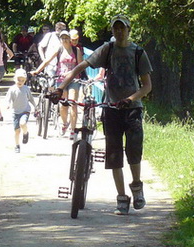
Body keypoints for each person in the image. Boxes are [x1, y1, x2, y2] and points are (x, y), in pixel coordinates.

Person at [51, 15, 152, 215]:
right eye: (115, 28)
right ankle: (121, 198)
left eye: (122, 28)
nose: (119, 32)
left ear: (129, 30)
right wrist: (60, 88)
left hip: (132, 109)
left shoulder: (138, 52)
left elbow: (147, 86)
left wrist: (130, 99)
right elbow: (80, 66)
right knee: (114, 155)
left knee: (133, 152)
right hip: (111, 108)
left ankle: (137, 187)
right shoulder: (108, 49)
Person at [35, 29, 82, 136]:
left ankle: (73, 130)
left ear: (69, 39)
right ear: (60, 40)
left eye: (66, 38)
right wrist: (37, 71)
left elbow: (80, 66)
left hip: (74, 79)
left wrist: (71, 72)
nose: (64, 40)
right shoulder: (59, 49)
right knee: (63, 104)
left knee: (73, 103)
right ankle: (65, 123)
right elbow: (47, 61)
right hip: (61, 80)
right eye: (62, 38)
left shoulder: (76, 50)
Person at [5, 68, 35, 153]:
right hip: (15, 112)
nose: (20, 82)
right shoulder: (12, 89)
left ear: (25, 80)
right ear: (15, 79)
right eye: (18, 79)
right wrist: (8, 104)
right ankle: (17, 145)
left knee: (23, 123)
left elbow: (31, 99)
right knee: (17, 131)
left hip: (25, 110)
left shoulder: (26, 89)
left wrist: (35, 107)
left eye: (22, 80)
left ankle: (25, 133)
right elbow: (8, 98)